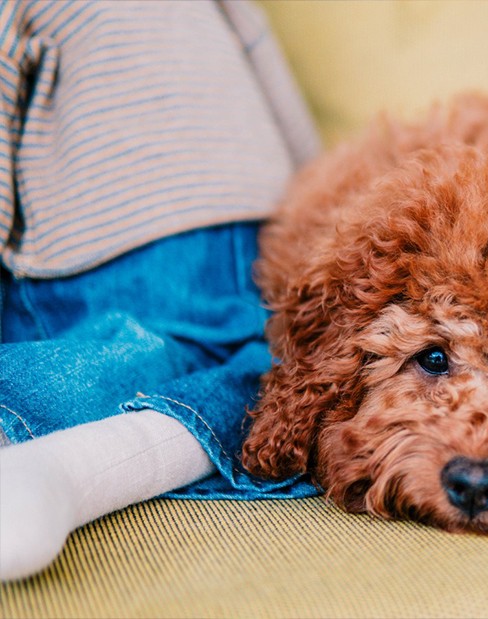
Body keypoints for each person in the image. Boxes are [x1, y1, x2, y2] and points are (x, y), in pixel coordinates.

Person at [0, 0, 320, 581]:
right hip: (262, 224)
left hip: (104, 229)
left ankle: (20, 430)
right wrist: (316, 217)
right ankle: (81, 467)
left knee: (128, 348)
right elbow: (276, 88)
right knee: (260, 372)